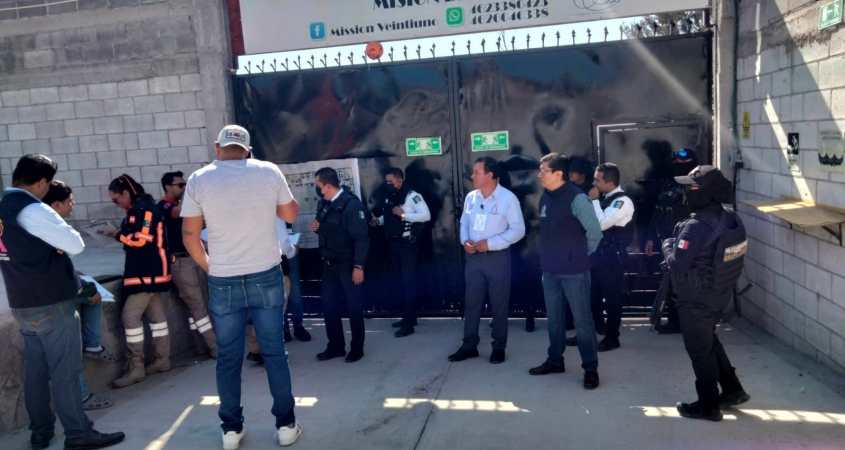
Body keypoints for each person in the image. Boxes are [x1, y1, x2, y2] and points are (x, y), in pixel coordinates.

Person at [182, 125, 302, 448]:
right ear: (248, 150)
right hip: (266, 273)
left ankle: (231, 430)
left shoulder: (199, 179)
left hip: (224, 278)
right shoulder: (268, 171)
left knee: (228, 358)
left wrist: (211, 267)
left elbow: (190, 235)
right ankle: (286, 425)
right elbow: (290, 212)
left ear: (217, 148)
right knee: (274, 352)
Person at [0, 154, 125, 450]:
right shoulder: (32, 208)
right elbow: (75, 244)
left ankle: (41, 432)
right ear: (41, 182)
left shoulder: (4, 207)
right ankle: (78, 433)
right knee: (65, 371)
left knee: (36, 374)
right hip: (51, 302)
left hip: (22, 302)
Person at [663, 165, 750, 421]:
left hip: (696, 299)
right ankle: (733, 390)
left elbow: (678, 263)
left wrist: (667, 246)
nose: (687, 191)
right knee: (708, 341)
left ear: (707, 192)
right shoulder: (729, 217)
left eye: (692, 187)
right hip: (718, 293)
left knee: (699, 351)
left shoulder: (696, 226)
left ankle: (708, 406)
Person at [528, 153, 602, 390]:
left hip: (574, 272)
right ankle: (555, 360)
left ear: (558, 173)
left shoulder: (577, 198)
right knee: (555, 320)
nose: (539, 175)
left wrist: (577, 255)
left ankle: (590, 368)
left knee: (582, 321)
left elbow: (595, 233)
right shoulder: (546, 197)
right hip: (550, 271)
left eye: (543, 171)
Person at [42, 181, 115, 411]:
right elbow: (54, 270)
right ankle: (81, 398)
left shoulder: (39, 223)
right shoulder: (50, 228)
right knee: (70, 352)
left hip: (46, 294)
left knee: (92, 293)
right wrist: (82, 288)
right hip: (53, 298)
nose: (73, 206)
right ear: (56, 204)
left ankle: (92, 345)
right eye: (70, 201)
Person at [449, 157, 525, 364]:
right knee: (471, 303)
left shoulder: (508, 198)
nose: (472, 176)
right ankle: (469, 345)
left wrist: (490, 244)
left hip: (497, 259)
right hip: (473, 258)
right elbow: (464, 222)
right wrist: (465, 241)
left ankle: (498, 347)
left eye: (477, 172)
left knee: (499, 304)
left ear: (490, 175)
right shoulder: (471, 197)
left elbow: (518, 230)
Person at [107, 174, 172, 388]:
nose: (116, 204)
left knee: (130, 318)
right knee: (157, 318)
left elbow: (140, 240)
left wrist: (115, 234)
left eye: (116, 199)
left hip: (146, 273)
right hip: (151, 272)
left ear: (126, 193)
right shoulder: (143, 208)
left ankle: (136, 368)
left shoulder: (143, 210)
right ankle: (162, 360)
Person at [311, 167, 370, 362]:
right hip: (329, 264)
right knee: (329, 306)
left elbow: (361, 239)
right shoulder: (324, 204)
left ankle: (357, 348)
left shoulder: (351, 205)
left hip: (348, 264)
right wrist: (318, 228)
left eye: (318, 185)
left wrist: (359, 266)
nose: (317, 189)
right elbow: (327, 228)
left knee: (354, 307)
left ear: (328, 186)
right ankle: (335, 346)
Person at [158, 171, 217, 359]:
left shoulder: (182, 205)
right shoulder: (164, 206)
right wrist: (193, 191)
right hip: (181, 262)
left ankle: (201, 345)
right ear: (167, 187)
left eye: (185, 184)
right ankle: (215, 347)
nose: (183, 188)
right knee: (197, 305)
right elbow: (179, 212)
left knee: (201, 305)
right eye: (180, 185)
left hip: (194, 257)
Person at [371, 168, 431, 338]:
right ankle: (408, 317)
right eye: (386, 181)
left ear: (400, 180)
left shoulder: (412, 196)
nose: (388, 184)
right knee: (400, 282)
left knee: (408, 283)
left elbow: (426, 215)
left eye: (390, 181)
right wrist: (378, 221)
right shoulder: (390, 196)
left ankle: (409, 324)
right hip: (394, 244)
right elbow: (389, 216)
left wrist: (405, 215)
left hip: (407, 246)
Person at [647, 148, 699, 334]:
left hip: (690, 243)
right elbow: (658, 211)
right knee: (669, 282)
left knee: (689, 283)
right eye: (677, 162)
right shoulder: (668, 184)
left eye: (684, 163)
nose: (680, 166)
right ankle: (674, 321)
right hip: (667, 242)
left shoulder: (699, 187)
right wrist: (650, 239)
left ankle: (690, 322)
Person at [587, 163, 635, 352]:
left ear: (610, 182)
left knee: (612, 298)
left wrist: (594, 201)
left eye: (597, 180)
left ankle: (612, 338)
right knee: (593, 296)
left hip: (612, 258)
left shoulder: (622, 202)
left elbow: (601, 224)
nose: (594, 183)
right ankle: (594, 331)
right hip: (597, 256)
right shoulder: (605, 199)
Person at [280, 220, 311, 343]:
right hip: (273, 253)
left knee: (295, 294)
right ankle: (284, 328)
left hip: (290, 249)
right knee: (280, 295)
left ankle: (298, 326)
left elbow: (293, 224)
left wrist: (294, 244)